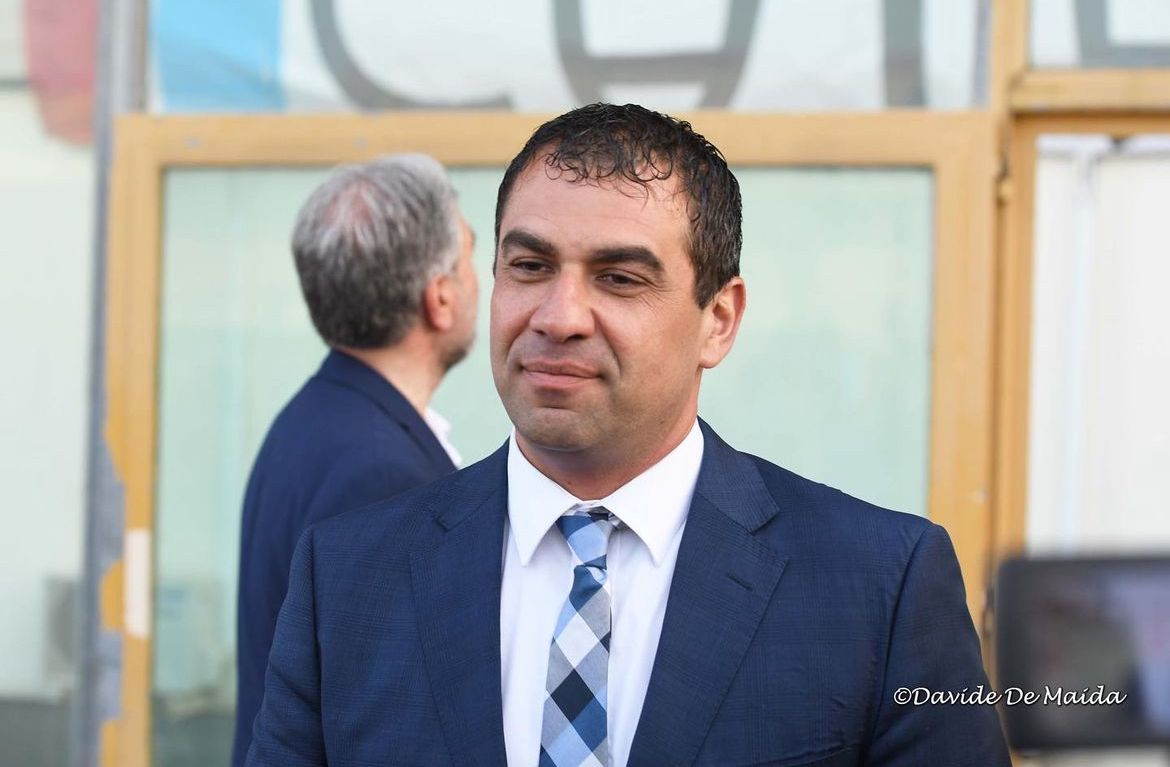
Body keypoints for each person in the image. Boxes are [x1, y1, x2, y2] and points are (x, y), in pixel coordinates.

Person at [245, 105, 1010, 766]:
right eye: (530, 265)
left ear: (719, 320)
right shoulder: (347, 579)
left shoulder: (878, 587)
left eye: (619, 278)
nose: (559, 316)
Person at [231, 154, 478, 766]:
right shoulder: (382, 475)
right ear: (439, 298)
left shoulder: (315, 421)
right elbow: (390, 730)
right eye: (472, 256)